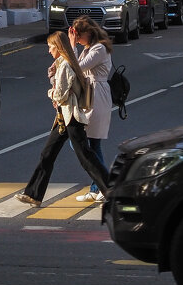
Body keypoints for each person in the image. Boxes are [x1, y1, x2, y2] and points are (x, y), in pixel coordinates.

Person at [15, 31, 111, 208]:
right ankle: (33, 194)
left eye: (51, 47)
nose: (49, 51)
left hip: (71, 118)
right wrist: (53, 76)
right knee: (48, 154)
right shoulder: (62, 64)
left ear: (59, 48)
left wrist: (50, 92)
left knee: (86, 157)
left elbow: (60, 94)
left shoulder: (66, 65)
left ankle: (111, 191)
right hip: (63, 118)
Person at [69, 16, 113, 203]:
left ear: (88, 33)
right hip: (89, 96)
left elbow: (77, 68)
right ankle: (97, 188)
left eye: (78, 36)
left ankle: (104, 186)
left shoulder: (99, 49)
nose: (77, 39)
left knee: (86, 143)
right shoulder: (89, 48)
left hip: (97, 96)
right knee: (89, 145)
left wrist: (72, 46)